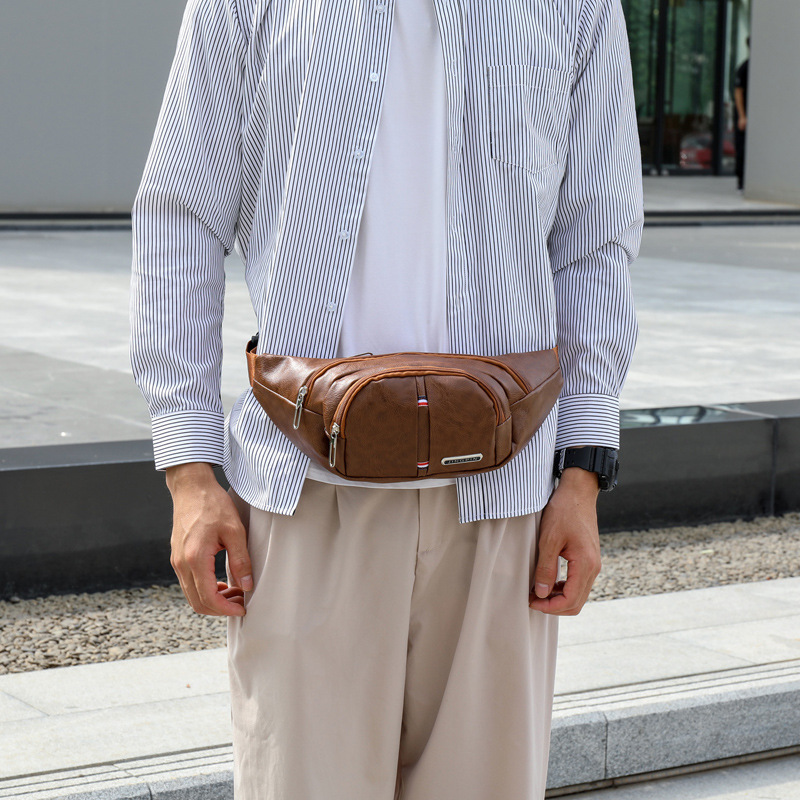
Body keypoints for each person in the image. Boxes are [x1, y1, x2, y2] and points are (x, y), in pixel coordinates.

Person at [129, 0, 643, 797]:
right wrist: (190, 470)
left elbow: (594, 241)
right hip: (305, 492)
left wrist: (582, 473)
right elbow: (180, 220)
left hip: (502, 500)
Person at [733, 36, 750, 192]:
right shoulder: (745, 67)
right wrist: (742, 116)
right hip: (744, 115)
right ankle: (741, 180)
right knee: (742, 148)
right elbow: (738, 92)